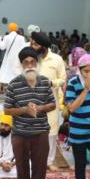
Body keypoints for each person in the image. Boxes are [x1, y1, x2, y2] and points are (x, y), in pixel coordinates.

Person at [4, 47, 56, 179]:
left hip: (40, 132)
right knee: (22, 170)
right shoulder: (14, 84)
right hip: (20, 134)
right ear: (21, 65)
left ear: (37, 63)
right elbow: (7, 110)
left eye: (32, 62)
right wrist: (25, 110)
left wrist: (39, 108)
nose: (29, 65)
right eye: (26, 62)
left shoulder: (45, 82)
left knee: (40, 169)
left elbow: (53, 104)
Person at [31, 30, 67, 171]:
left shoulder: (57, 59)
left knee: (51, 131)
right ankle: (36, 160)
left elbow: (63, 78)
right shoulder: (32, 58)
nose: (32, 46)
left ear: (44, 46)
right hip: (33, 100)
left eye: (35, 44)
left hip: (51, 101)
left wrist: (51, 83)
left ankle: (49, 162)